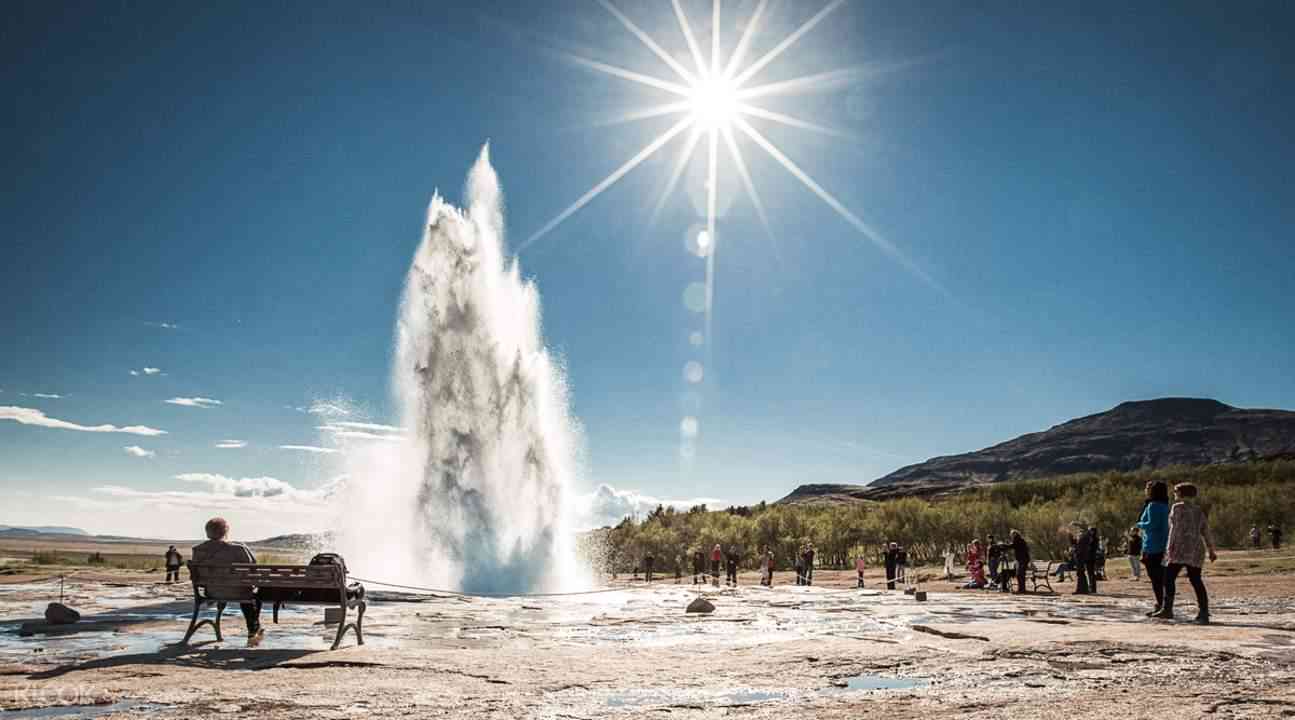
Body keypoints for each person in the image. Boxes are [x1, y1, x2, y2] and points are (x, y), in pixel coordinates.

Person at [192, 517, 264, 647]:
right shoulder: (238, 548)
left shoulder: (198, 550)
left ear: (207, 532)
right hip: (239, 591)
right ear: (225, 531)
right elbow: (253, 569)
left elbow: (198, 576)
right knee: (253, 597)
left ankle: (254, 630)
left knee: (246, 594)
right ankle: (253, 629)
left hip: (212, 592)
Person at [1154, 483, 1217, 624]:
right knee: (1196, 580)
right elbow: (1205, 530)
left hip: (1180, 549)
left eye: (1176, 491)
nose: (1174, 493)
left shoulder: (1177, 508)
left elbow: (1174, 530)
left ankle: (1167, 609)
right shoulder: (1198, 510)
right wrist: (1211, 550)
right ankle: (1204, 612)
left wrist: (1168, 549)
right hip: (1195, 549)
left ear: (1182, 493)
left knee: (1168, 578)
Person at [1137, 480, 1171, 616]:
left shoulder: (1153, 506)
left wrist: (1139, 524)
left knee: (1155, 578)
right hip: (1163, 544)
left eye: (1148, 488)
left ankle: (1161, 605)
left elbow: (1151, 524)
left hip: (1152, 545)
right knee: (1162, 577)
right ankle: (1163, 605)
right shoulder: (1165, 506)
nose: (1146, 490)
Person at [1073, 526, 1093, 594]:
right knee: (1080, 573)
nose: (1079, 532)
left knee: (1080, 573)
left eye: (1081, 531)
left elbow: (1080, 548)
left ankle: (1082, 590)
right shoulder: (1084, 538)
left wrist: (1076, 550)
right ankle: (1082, 589)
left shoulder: (1085, 538)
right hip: (1081, 557)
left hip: (1081, 557)